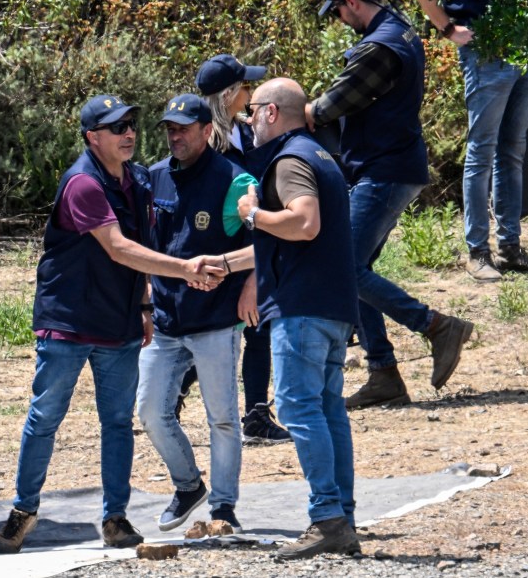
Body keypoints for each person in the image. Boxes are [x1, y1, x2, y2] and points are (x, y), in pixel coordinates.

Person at [0, 94, 225, 555]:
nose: (129, 133)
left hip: (118, 323)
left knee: (117, 423)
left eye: (131, 125)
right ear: (92, 138)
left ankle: (115, 518)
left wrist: (142, 306)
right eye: (117, 127)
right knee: (45, 420)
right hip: (69, 323)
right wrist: (185, 268)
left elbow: (136, 247)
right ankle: (23, 510)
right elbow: (118, 247)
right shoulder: (83, 184)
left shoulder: (136, 181)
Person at [309, 0, 474, 410]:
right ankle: (383, 373)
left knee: (343, 266)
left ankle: (436, 326)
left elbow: (329, 106)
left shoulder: (376, 49)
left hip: (383, 170)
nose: (340, 22)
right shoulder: (401, 29)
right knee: (356, 271)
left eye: (339, 13)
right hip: (393, 166)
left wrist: (288, 112)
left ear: (352, 3)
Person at [219, 77, 360, 559]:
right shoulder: (320, 154)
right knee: (327, 409)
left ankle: (327, 518)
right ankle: (342, 515)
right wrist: (223, 264)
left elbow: (303, 223)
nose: (247, 117)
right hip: (334, 305)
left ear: (272, 113)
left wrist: (253, 216)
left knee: (300, 409)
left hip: (302, 308)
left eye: (253, 109)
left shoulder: (290, 159)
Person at [136, 93, 254, 534]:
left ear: (208, 131)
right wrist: (146, 302)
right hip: (166, 320)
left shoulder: (235, 180)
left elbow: (264, 241)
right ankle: (189, 486)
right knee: (149, 411)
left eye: (184, 128)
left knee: (222, 417)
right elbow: (145, 248)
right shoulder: (153, 178)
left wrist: (250, 285)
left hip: (216, 321)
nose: (175, 135)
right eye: (170, 127)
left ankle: (223, 507)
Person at [412, 0, 528, 281]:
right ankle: (478, 253)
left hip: (520, 48)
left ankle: (509, 248)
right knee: (481, 152)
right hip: (483, 51)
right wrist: (447, 28)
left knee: (512, 152)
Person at [194, 53, 292, 445]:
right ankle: (173, 395)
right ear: (231, 93)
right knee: (212, 331)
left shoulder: (241, 131)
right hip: (224, 248)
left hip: (248, 244)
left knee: (256, 327)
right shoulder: (214, 145)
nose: (251, 93)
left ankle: (255, 413)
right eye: (246, 87)